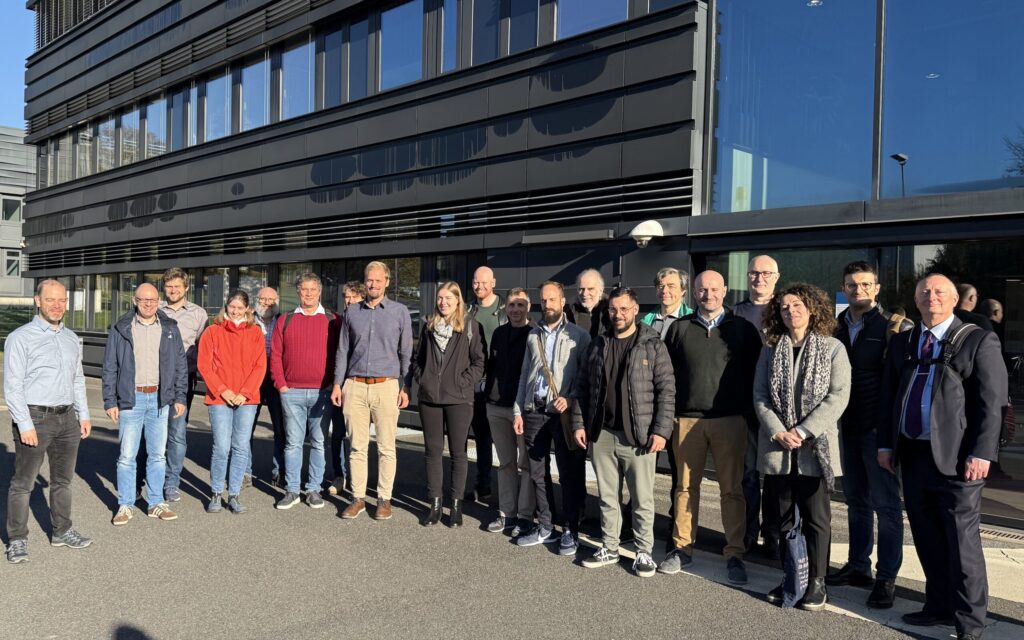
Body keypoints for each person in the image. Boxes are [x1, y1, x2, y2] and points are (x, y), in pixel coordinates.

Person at [879, 274, 1006, 640]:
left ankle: (969, 623)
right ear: (916, 300)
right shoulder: (904, 341)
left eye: (938, 292)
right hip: (914, 453)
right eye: (923, 292)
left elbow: (991, 403)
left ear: (954, 300)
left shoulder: (978, 340)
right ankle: (937, 606)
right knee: (926, 535)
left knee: (962, 541)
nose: (929, 297)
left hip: (958, 458)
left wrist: (982, 452)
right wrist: (886, 445)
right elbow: (889, 398)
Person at [658, 270, 761, 584]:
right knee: (685, 489)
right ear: (694, 293)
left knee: (732, 491)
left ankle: (734, 553)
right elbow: (667, 377)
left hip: (730, 422)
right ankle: (682, 548)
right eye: (703, 290)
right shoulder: (679, 328)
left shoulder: (742, 329)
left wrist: (748, 416)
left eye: (715, 289)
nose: (708, 295)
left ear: (725, 291)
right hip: (687, 422)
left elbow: (757, 377)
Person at [755, 283, 850, 611]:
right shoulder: (771, 347)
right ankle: (791, 577)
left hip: (814, 448)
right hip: (778, 449)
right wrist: (779, 431)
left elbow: (838, 396)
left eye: (797, 305)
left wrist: (804, 430)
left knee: (816, 518)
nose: (791, 311)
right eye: (784, 307)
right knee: (781, 519)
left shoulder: (833, 348)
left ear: (812, 309)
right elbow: (760, 395)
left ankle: (817, 583)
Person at [826, 261, 912, 608]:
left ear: (876, 288)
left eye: (865, 284)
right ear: (843, 288)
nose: (857, 290)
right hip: (846, 427)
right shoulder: (835, 327)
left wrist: (891, 436)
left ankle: (887, 578)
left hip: (878, 431)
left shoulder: (895, 327)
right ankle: (859, 565)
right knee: (856, 502)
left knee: (887, 507)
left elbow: (903, 384)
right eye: (851, 285)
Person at [575, 287, 675, 578]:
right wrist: (579, 424)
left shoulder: (651, 344)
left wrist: (661, 430)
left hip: (639, 436)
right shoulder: (598, 344)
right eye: (613, 310)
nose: (617, 315)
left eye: (623, 309)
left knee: (642, 498)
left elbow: (666, 391)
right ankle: (609, 546)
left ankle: (644, 552)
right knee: (608, 496)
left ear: (635, 310)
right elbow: (584, 388)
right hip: (603, 433)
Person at [4, 280, 93, 563]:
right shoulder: (20, 337)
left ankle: (62, 531)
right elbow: (12, 386)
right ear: (37, 301)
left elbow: (78, 379)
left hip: (67, 419)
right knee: (23, 483)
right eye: (51, 300)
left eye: (62, 300)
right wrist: (24, 423)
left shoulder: (70, 338)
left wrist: (84, 414)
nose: (57, 305)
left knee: (63, 480)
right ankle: (17, 539)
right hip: (35, 418)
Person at [513, 281, 591, 554]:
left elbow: (586, 379)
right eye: (543, 301)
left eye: (552, 300)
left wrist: (569, 399)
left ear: (562, 301)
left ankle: (570, 529)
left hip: (564, 415)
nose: (547, 305)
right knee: (537, 473)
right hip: (535, 411)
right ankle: (545, 525)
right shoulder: (533, 335)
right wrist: (518, 410)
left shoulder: (579, 336)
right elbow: (525, 374)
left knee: (569, 474)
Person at [332, 261, 414, 521]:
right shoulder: (352, 313)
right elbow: (343, 350)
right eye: (370, 280)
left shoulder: (400, 312)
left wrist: (405, 385)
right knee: (356, 446)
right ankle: (357, 498)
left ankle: (384, 499)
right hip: (354, 386)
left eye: (379, 280)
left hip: (386, 386)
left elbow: (406, 353)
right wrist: (337, 383)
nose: (373, 284)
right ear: (365, 282)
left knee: (386, 447)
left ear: (387, 282)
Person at [103, 283, 187, 526]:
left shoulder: (170, 328)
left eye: (153, 300)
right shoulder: (122, 328)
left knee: (157, 455)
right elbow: (110, 366)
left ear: (159, 301)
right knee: (127, 456)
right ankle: (126, 504)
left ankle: (156, 502)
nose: (148, 304)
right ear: (134, 300)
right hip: (132, 399)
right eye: (143, 300)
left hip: (160, 399)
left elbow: (180, 365)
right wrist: (110, 401)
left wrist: (180, 397)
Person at [412, 282, 486, 527]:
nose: (443, 302)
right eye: (440, 298)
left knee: (458, 453)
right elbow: (417, 358)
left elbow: (479, 363)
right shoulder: (428, 325)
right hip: (430, 399)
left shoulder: (470, 326)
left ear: (457, 301)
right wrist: (423, 379)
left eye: (448, 298)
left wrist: (461, 383)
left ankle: (455, 506)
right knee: (432, 452)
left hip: (459, 400)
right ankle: (434, 504)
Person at [270, 272, 341, 510]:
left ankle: (313, 489)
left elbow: (340, 355)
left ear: (319, 292)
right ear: (298, 292)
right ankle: (292, 490)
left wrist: (333, 383)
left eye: (312, 290)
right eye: (304, 290)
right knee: (293, 443)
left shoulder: (332, 319)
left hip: (323, 392)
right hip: (292, 392)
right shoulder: (286, 320)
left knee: (319, 442)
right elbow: (276, 355)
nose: (308, 294)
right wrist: (281, 385)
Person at [198, 290, 267, 514]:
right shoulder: (212, 331)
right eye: (232, 307)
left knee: (240, 447)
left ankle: (234, 494)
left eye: (239, 307)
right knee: (221, 447)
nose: (235, 311)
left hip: (247, 399)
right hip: (220, 398)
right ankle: (216, 492)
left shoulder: (255, 333)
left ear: (247, 309)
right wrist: (223, 390)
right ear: (226, 307)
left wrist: (245, 392)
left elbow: (260, 366)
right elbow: (204, 365)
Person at [732, 254, 781, 557]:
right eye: (753, 273)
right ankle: (749, 532)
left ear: (776, 276)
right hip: (746, 407)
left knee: (776, 476)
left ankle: (773, 535)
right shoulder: (735, 313)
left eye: (766, 273)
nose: (759, 278)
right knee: (748, 474)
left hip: (779, 409)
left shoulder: (787, 309)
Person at [482, 288, 535, 535]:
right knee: (505, 464)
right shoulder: (500, 334)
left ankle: (525, 516)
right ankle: (507, 513)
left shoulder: (534, 335)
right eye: (511, 305)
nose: (515, 310)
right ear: (506, 308)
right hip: (496, 405)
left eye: (520, 305)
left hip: (521, 409)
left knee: (525, 463)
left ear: (528, 307)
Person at [158, 267, 209, 503]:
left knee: (177, 433)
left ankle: (171, 482)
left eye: (177, 286)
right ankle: (152, 476)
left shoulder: (198, 314)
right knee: (154, 432)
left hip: (182, 381)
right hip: (154, 380)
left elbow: (202, 348)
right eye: (169, 286)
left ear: (186, 288)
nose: (173, 290)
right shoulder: (154, 309)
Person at [465, 266, 508, 500]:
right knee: (480, 437)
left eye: (483, 282)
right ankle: (483, 485)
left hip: (498, 383)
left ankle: (511, 493)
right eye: (475, 282)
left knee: (504, 440)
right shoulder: (467, 310)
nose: (479, 286)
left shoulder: (504, 309)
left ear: (493, 282)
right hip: (474, 382)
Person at [326, 281, 367, 497]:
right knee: (338, 433)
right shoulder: (336, 322)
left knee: (357, 436)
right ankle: (339, 475)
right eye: (347, 297)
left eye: (354, 297)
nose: (349, 301)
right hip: (338, 385)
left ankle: (357, 478)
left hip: (359, 385)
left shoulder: (366, 321)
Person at [249, 287, 284, 487]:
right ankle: (244, 471)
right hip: (252, 376)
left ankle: (279, 470)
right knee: (247, 427)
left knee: (280, 428)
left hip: (275, 376)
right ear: (257, 300)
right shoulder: (248, 319)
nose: (267, 303)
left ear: (277, 301)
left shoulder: (283, 320)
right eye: (263, 299)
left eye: (271, 299)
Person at [640, 267, 693, 339]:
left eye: (671, 286)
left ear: (682, 291)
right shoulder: (645, 322)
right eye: (661, 286)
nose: (664, 291)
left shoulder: (692, 320)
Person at [564, 268, 611, 337]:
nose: (585, 294)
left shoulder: (611, 312)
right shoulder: (568, 313)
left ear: (601, 290)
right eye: (581, 289)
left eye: (590, 289)